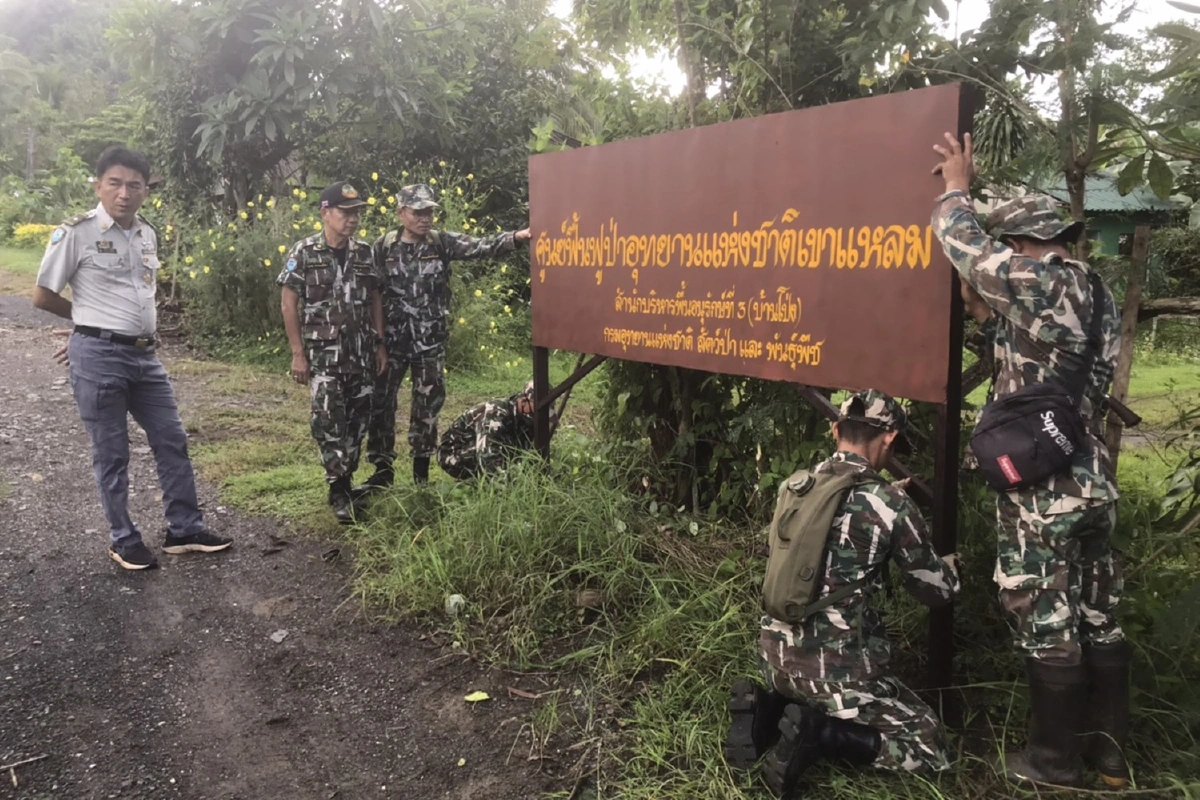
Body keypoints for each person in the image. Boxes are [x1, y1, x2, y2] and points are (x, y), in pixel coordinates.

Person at [931, 133, 1128, 789]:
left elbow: (961, 240)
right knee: (1099, 615)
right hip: (1092, 477)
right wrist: (983, 311)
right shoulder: (1094, 292)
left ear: (1021, 244)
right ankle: (1109, 757)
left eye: (1008, 249)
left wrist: (956, 187)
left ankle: (1053, 762)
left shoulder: (1042, 280)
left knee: (1045, 617)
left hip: (1044, 487)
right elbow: (1039, 358)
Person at [739, 390, 961, 797]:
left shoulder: (795, 487)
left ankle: (769, 707)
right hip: (835, 676)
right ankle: (822, 734)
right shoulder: (889, 503)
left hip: (774, 659)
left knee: (797, 683)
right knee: (932, 748)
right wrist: (950, 566)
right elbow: (937, 593)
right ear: (890, 437)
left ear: (835, 430)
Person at [32, 146, 232, 570]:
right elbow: (43, 295)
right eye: (115, 183)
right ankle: (123, 539)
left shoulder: (147, 233)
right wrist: (87, 324)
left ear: (146, 190)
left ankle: (184, 529)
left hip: (145, 356)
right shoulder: (76, 232)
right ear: (98, 186)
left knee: (171, 438)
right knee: (112, 452)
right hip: (99, 356)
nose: (124, 193)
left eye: (134, 185)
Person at [356, 184, 531, 490]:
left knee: (426, 408)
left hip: (429, 345)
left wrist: (517, 237)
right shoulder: (383, 247)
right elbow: (372, 295)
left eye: (429, 212)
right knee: (381, 405)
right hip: (392, 345)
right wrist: (377, 342)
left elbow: (481, 246)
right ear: (401, 213)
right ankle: (382, 470)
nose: (425, 218)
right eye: (418, 212)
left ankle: (420, 477)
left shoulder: (441, 243)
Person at [279, 181, 388, 524]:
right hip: (323, 355)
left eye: (357, 213)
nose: (353, 219)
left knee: (358, 419)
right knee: (327, 419)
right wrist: (297, 353)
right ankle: (338, 487)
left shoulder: (364, 252)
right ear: (325, 213)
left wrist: (380, 342)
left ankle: (346, 480)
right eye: (346, 212)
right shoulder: (304, 252)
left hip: (361, 353)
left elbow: (375, 298)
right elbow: (288, 304)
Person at [436, 381, 555, 480]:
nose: (538, 417)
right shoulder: (495, 415)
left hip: (480, 448)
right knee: (501, 450)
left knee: (514, 450)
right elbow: (488, 456)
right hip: (453, 455)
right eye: (535, 412)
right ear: (523, 402)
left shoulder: (524, 416)